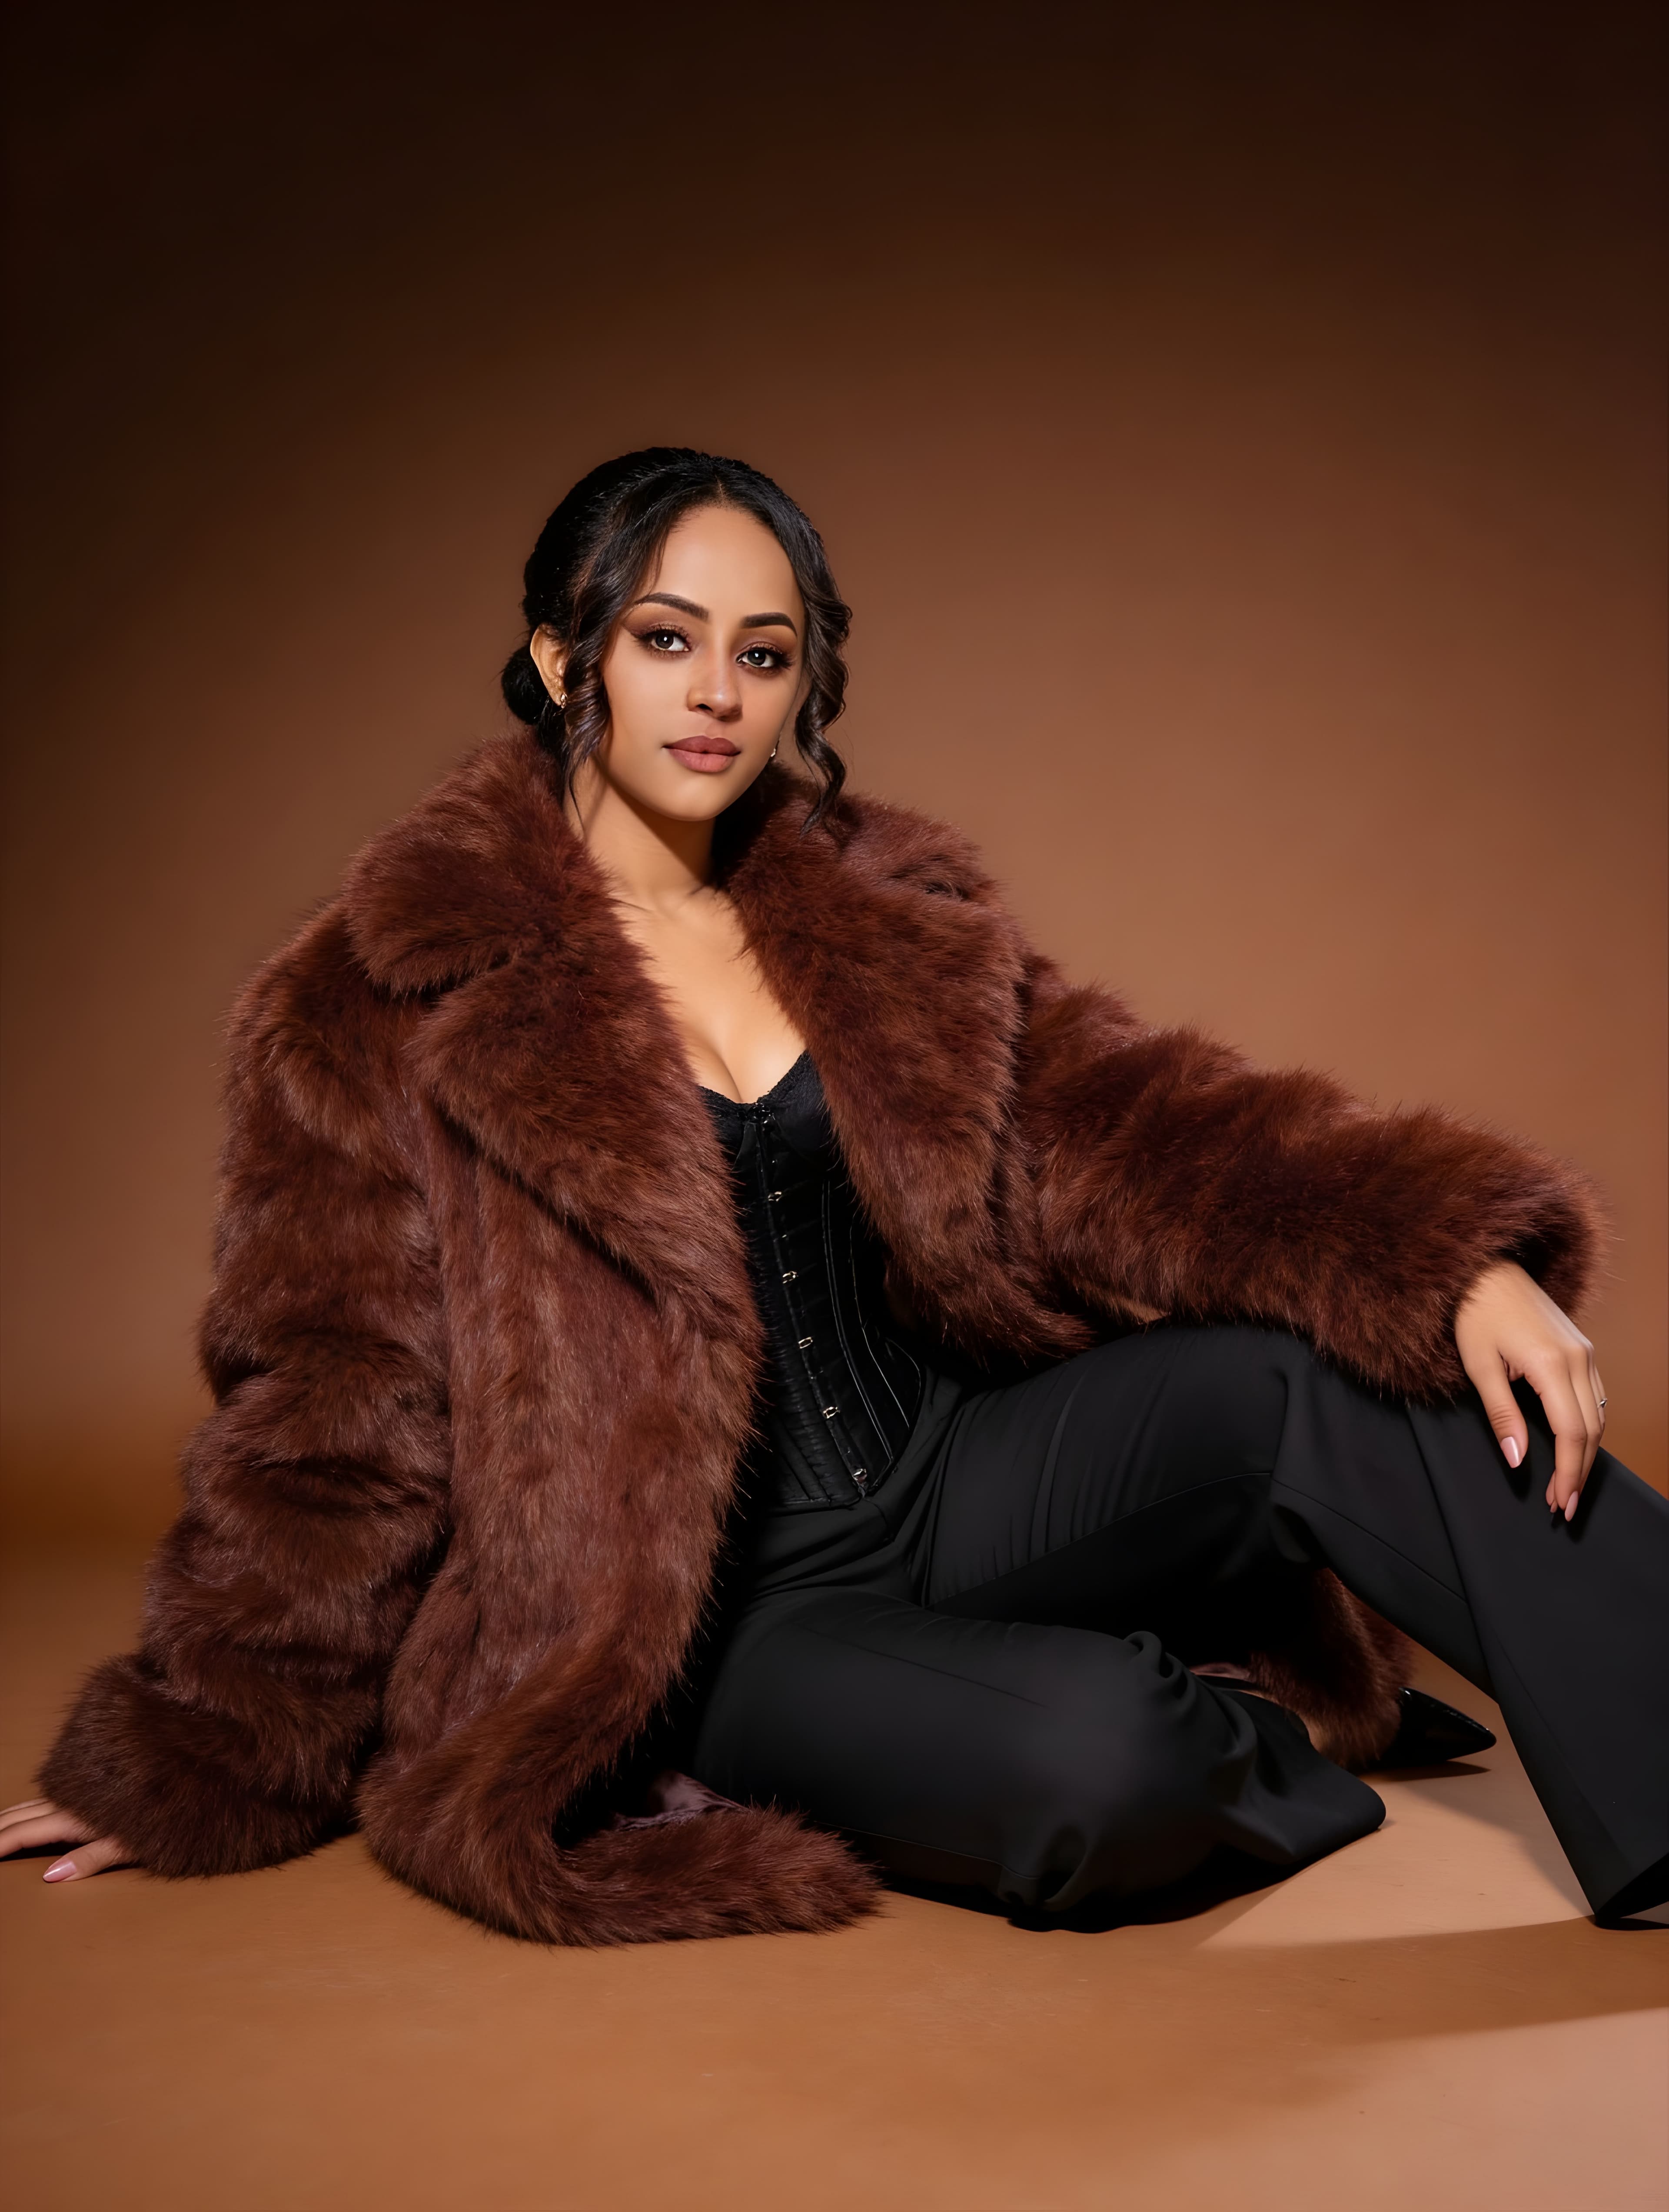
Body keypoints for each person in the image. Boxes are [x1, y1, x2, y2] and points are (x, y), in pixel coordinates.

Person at [4, 448, 1664, 1943]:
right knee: (1102, 1768)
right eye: (666, 639)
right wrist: (198, 1753)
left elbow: (1154, 1123)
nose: (717, 692)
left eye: (763, 652)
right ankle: (1170, 1708)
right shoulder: (372, 1001)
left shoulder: (891, 910)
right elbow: (330, 1410)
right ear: (558, 658)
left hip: (963, 1470)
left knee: (1343, 1375)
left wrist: (1450, 1262)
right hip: (711, 1613)